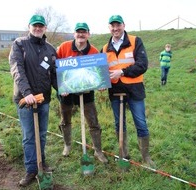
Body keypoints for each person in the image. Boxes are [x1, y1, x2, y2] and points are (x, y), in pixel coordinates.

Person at [9, 14, 57, 187]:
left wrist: (63, 90)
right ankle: (31, 169)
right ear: (29, 26)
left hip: (43, 99)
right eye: (35, 25)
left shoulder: (50, 49)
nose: (38, 28)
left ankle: (41, 163)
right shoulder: (19, 44)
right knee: (30, 136)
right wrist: (27, 93)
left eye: (41, 26)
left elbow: (54, 74)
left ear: (45, 28)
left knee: (42, 134)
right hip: (25, 99)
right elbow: (17, 70)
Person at [101, 15, 155, 167]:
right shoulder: (105, 48)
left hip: (134, 90)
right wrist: (102, 82)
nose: (115, 28)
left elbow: (142, 64)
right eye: (112, 26)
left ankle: (146, 157)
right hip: (115, 91)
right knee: (119, 123)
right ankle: (123, 154)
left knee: (141, 123)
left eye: (118, 25)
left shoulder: (135, 41)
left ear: (123, 25)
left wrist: (122, 72)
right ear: (109, 28)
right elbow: (102, 71)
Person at [57, 22, 108, 163]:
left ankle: (98, 151)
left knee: (93, 121)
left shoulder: (94, 52)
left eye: (83, 32)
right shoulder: (64, 47)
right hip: (67, 91)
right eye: (78, 32)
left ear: (88, 34)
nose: (81, 34)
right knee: (65, 119)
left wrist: (101, 84)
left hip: (86, 92)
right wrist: (61, 86)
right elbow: (55, 67)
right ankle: (67, 145)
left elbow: (100, 72)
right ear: (74, 34)